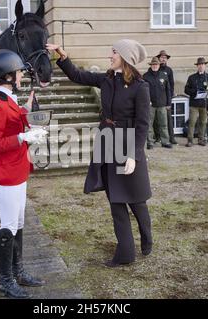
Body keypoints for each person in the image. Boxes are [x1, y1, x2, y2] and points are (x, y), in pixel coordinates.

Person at [47, 39, 153, 267]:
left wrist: (134, 155)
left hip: (127, 145)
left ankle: (146, 235)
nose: (110, 56)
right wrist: (62, 56)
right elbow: (78, 75)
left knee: (136, 200)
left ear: (125, 57)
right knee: (116, 199)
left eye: (114, 52)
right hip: (107, 142)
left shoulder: (141, 87)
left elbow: (143, 125)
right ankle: (125, 254)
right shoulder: (106, 79)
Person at [0, 49, 47, 298]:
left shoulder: (6, 98)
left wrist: (27, 116)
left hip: (17, 168)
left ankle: (18, 271)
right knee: (9, 225)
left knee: (20, 223)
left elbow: (13, 118)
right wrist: (23, 136)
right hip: (5, 174)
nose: (21, 77)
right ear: (7, 76)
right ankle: (6, 280)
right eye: (18, 73)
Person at [184, 57, 208, 147]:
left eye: (203, 64)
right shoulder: (192, 77)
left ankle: (201, 139)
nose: (201, 66)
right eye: (199, 65)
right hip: (194, 104)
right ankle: (190, 140)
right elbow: (186, 90)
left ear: (205, 66)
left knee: (203, 122)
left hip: (204, 104)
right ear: (197, 66)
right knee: (192, 122)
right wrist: (195, 91)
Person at [143, 56, 172, 149]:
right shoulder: (146, 76)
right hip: (150, 105)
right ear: (151, 65)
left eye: (156, 64)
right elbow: (143, 91)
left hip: (162, 104)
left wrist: (168, 103)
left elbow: (168, 90)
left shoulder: (164, 75)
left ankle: (165, 141)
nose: (155, 66)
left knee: (164, 124)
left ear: (159, 65)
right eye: (153, 64)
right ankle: (150, 142)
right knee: (149, 124)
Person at [157, 50, 177, 145]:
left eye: (165, 58)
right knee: (157, 119)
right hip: (157, 99)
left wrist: (170, 99)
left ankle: (171, 138)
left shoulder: (169, 70)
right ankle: (158, 137)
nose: (163, 59)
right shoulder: (156, 68)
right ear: (159, 58)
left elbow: (171, 85)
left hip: (166, 98)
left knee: (168, 119)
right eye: (161, 57)